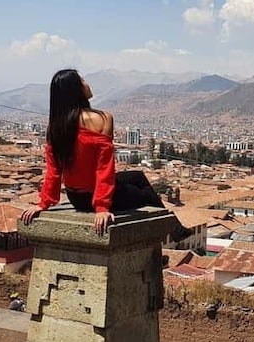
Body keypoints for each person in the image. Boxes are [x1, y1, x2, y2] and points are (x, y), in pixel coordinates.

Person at [20, 69, 163, 235]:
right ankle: (170, 232)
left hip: (76, 198)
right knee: (145, 194)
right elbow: (103, 168)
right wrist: (102, 206)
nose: (87, 84)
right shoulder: (102, 119)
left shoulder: (55, 127)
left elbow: (54, 171)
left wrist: (43, 203)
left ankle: (176, 229)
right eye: (82, 80)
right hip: (96, 198)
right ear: (77, 89)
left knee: (137, 176)